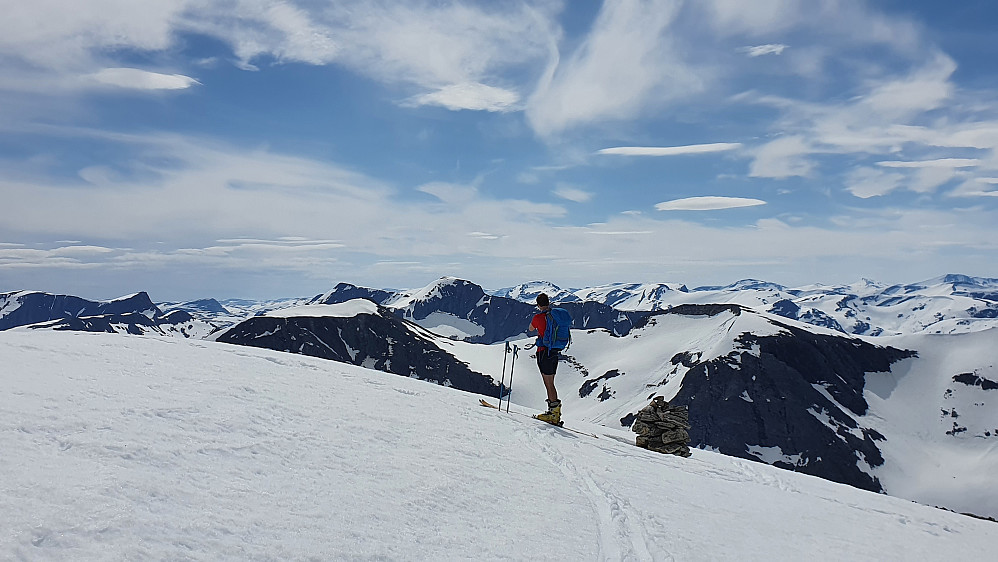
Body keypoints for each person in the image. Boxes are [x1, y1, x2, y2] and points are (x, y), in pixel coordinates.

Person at [527, 293, 561, 424]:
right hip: (554, 351)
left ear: (538, 304)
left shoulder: (538, 317)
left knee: (548, 384)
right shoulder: (555, 316)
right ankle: (554, 412)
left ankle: (553, 414)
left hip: (543, 352)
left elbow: (530, 328)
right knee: (551, 382)